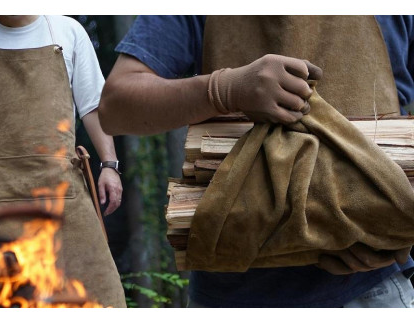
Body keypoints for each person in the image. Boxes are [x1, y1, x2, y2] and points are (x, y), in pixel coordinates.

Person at [98, 15, 414, 307]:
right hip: (230, 297)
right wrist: (223, 89)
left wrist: (397, 231)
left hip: (372, 292)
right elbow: (114, 107)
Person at [0, 15, 126, 307]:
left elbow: (93, 106)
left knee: (101, 298)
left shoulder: (68, 32)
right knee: (8, 301)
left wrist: (109, 165)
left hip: (64, 199)